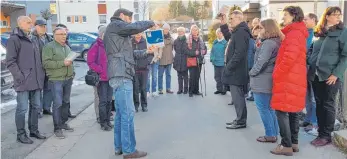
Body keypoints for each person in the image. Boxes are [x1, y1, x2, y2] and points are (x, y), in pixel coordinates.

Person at [104, 8, 155, 158]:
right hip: (121, 73)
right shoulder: (116, 25)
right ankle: (129, 150)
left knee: (121, 114)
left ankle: (119, 147)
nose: (130, 22)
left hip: (119, 72)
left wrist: (147, 52)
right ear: (121, 16)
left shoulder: (116, 31)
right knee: (127, 113)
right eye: (129, 18)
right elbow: (134, 28)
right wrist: (150, 22)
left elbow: (129, 54)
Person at [271, 6, 308, 156]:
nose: (283, 17)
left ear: (294, 16)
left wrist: (276, 73)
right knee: (293, 112)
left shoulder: (293, 34)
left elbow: (289, 59)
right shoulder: (298, 32)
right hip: (294, 78)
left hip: (288, 78)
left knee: (281, 111)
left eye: (285, 15)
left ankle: (286, 145)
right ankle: (294, 143)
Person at [308, 6, 347, 147]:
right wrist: (309, 62)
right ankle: (320, 132)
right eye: (335, 15)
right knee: (319, 104)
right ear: (327, 16)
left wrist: (336, 74)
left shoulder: (343, 32)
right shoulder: (320, 32)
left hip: (331, 76)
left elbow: (345, 56)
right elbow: (312, 50)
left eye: (339, 15)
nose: (338, 17)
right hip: (316, 74)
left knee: (328, 105)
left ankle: (326, 135)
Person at [6, 16, 46, 144]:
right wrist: (20, 77)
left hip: (36, 80)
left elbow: (38, 59)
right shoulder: (14, 39)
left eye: (31, 23)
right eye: (28, 22)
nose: (31, 24)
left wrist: (41, 75)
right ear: (20, 24)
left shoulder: (33, 38)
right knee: (22, 108)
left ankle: (34, 130)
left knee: (36, 107)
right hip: (23, 81)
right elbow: (10, 62)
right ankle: (21, 134)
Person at [249, 19, 281, 143]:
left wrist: (251, 72)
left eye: (261, 28)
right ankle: (274, 133)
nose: (259, 30)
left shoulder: (268, 43)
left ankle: (270, 134)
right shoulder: (274, 41)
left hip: (262, 80)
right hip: (268, 79)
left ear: (268, 29)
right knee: (269, 108)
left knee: (263, 108)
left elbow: (261, 62)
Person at [219, 10, 251, 129]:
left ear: (239, 19)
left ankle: (241, 121)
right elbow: (229, 38)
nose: (230, 21)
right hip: (236, 70)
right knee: (237, 98)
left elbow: (239, 53)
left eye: (231, 19)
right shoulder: (238, 31)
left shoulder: (241, 32)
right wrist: (223, 25)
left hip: (237, 71)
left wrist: (229, 67)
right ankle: (239, 119)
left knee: (238, 98)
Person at [42, 27, 75, 139]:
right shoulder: (49, 47)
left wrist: (72, 73)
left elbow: (70, 62)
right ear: (55, 35)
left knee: (66, 102)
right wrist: (62, 63)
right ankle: (57, 128)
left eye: (65, 34)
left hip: (68, 78)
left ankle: (63, 123)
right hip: (56, 80)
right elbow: (46, 64)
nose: (64, 36)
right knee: (58, 104)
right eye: (61, 34)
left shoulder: (66, 47)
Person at [87, 26, 113, 131]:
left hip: (110, 77)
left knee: (109, 100)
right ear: (101, 34)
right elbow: (90, 62)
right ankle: (103, 123)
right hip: (101, 79)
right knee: (102, 101)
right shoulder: (96, 45)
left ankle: (108, 120)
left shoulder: (109, 45)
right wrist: (100, 70)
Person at [31, 19, 53, 116]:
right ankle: (38, 110)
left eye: (44, 26)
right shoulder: (32, 38)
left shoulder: (48, 38)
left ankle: (46, 108)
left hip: (48, 68)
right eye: (41, 26)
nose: (43, 28)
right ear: (35, 27)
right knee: (38, 90)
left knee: (48, 89)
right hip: (37, 69)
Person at [302, 13, 318, 135]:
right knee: (307, 95)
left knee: (313, 97)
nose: (304, 21)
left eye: (306, 19)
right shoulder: (305, 33)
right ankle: (307, 119)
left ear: (313, 20)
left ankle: (314, 122)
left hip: (312, 69)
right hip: (304, 68)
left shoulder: (316, 34)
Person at [132, 32, 152, 112]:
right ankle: (136, 105)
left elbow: (151, 53)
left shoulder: (146, 42)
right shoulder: (130, 42)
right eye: (136, 32)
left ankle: (144, 105)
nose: (137, 34)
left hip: (144, 68)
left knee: (144, 88)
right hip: (134, 69)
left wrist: (148, 61)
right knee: (135, 89)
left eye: (139, 32)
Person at [186, 25, 207, 97]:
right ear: (191, 31)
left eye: (196, 30)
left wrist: (204, 51)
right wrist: (194, 53)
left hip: (199, 60)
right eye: (193, 30)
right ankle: (191, 91)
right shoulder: (188, 39)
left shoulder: (200, 39)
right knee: (192, 76)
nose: (195, 31)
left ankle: (196, 90)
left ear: (198, 31)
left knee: (197, 76)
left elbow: (204, 47)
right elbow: (186, 51)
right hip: (192, 60)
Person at [158, 23, 174, 94]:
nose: (166, 30)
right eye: (165, 29)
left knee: (168, 75)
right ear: (163, 29)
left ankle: (168, 88)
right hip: (161, 59)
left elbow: (173, 44)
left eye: (167, 29)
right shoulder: (159, 37)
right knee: (160, 75)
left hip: (169, 59)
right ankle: (160, 89)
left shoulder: (171, 37)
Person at [210, 28, 227, 95]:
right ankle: (219, 89)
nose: (218, 34)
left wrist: (225, 61)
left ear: (222, 34)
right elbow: (212, 51)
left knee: (223, 77)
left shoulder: (225, 43)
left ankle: (224, 90)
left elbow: (227, 53)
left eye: (220, 33)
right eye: (217, 33)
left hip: (222, 63)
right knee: (217, 76)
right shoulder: (215, 42)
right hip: (215, 62)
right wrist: (212, 58)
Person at [173, 27, 189, 94]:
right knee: (179, 75)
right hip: (178, 59)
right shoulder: (176, 41)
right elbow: (175, 49)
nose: (180, 32)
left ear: (184, 32)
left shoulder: (187, 40)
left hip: (185, 59)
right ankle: (180, 89)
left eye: (181, 31)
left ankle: (185, 89)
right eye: (179, 31)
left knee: (185, 75)